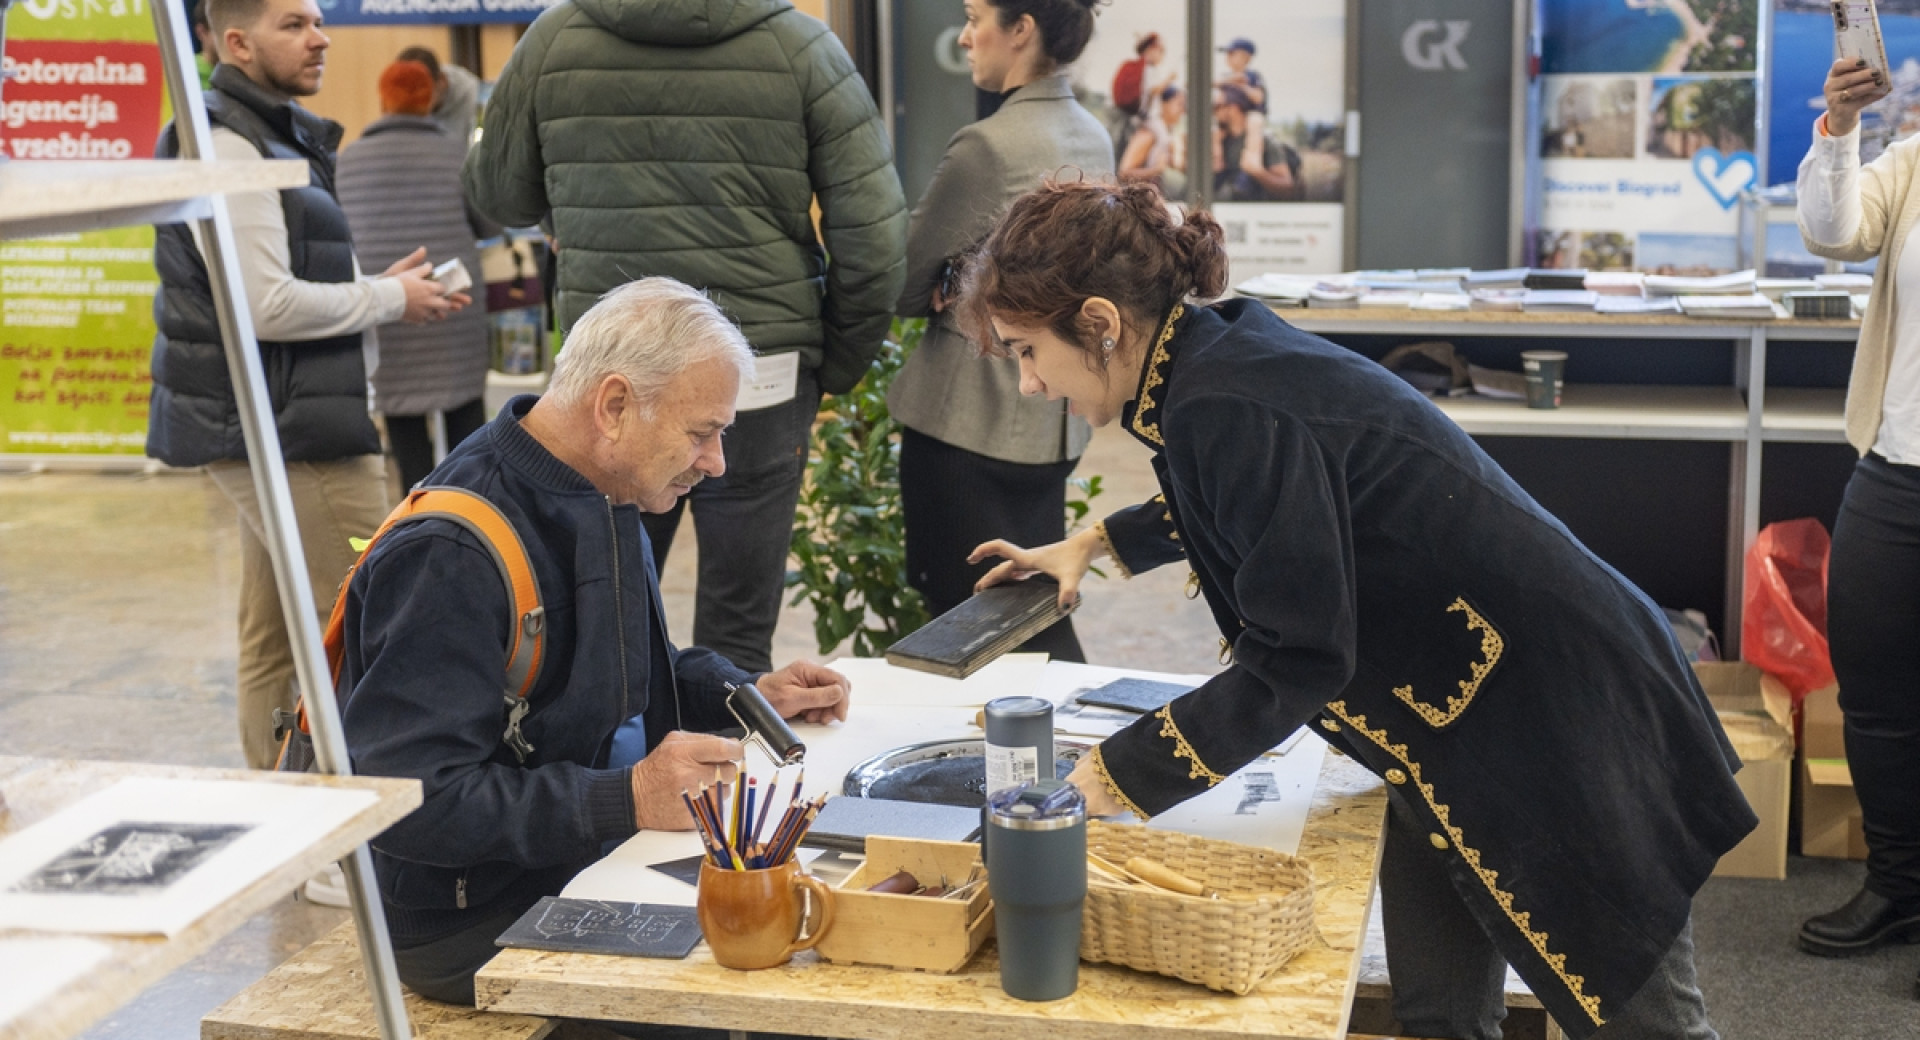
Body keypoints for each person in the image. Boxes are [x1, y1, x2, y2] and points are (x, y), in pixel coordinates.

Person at [958, 181, 1756, 1040]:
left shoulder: (1222, 400)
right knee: (1439, 1016)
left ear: (1102, 323)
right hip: (1452, 712)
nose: (1031, 383)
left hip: (1559, 707)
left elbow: (1296, 658)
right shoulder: (1208, 361)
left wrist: (1118, 772)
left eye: (1027, 351)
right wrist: (1098, 543)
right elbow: (1266, 503)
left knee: (1650, 1024)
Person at [338, 278, 852, 1006]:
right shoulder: (451, 553)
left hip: (582, 860)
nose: (717, 463)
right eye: (702, 432)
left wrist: (743, 694)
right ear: (613, 406)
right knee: (774, 984)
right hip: (471, 922)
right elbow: (405, 798)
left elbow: (616, 674)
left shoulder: (603, 489)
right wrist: (627, 798)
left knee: (809, 923)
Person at [465, 0, 906, 674]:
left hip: (611, 385)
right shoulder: (801, 46)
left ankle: (614, 775)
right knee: (738, 626)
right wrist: (831, 363)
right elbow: (874, 242)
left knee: (602, 614)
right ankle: (723, 771)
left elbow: (498, 196)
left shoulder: (553, 39)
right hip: (759, 377)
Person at [148, 0, 462, 776]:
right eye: (295, 25)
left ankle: (287, 819)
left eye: (318, 20)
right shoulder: (231, 143)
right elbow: (267, 306)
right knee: (368, 624)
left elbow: (275, 277)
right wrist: (390, 300)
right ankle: (354, 846)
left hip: (286, 421)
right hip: (294, 435)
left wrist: (368, 286)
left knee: (277, 635)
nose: (320, 37)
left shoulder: (267, 132)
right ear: (237, 42)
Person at [887, 0, 1114, 663]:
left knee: (986, 618)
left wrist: (952, 285)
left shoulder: (987, 146)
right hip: (1050, 422)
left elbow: (902, 281)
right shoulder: (1091, 135)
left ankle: (1079, 750)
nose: (964, 36)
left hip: (966, 420)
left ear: (1022, 30)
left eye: (976, 16)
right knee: (1032, 601)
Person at [1794, 57, 1920, 994]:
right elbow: (1834, 231)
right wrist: (1839, 128)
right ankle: (1900, 883)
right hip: (1897, 467)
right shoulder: (1915, 162)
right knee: (1874, 695)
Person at [337, 59, 500, 492]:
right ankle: (472, 509)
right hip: (453, 310)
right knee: (468, 427)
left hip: (391, 308)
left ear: (383, 98)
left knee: (405, 427)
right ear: (430, 98)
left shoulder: (348, 159)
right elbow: (489, 225)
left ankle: (418, 512)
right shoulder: (457, 153)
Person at [1211, 86, 1301, 202]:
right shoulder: (1220, 140)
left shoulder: (1265, 142)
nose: (1214, 112)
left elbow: (1287, 188)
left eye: (1217, 106)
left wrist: (1258, 172)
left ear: (1234, 108)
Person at [394, 45, 481, 150]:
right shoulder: (405, 107)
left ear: (441, 82)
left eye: (420, 90)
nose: (412, 101)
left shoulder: (476, 99)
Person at [1118, 83, 1187, 200]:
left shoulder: (1168, 133)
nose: (1182, 111)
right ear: (1164, 104)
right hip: (1139, 203)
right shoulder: (1149, 133)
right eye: (1179, 105)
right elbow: (1124, 173)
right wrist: (1156, 170)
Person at [1217, 37, 1268, 179]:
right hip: (1229, 120)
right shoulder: (1226, 77)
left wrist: (1242, 85)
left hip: (1249, 115)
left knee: (1255, 122)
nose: (1228, 57)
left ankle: (1249, 167)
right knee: (1215, 130)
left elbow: (1258, 97)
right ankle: (1217, 167)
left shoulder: (1253, 76)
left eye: (1232, 53)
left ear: (1246, 57)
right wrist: (1231, 81)